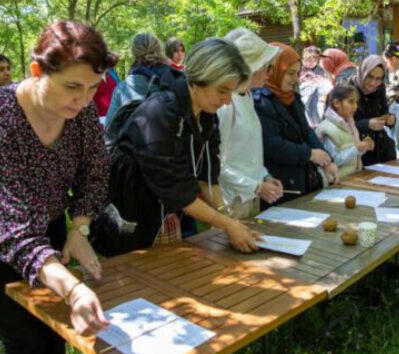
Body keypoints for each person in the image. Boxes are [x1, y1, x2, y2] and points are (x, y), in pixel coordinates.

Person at [0, 21, 115, 354]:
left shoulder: (83, 110)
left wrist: (79, 228)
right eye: (72, 86)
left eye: (93, 87)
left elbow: (95, 171)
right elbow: (13, 229)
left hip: (44, 224)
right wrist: (74, 290)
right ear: (36, 70)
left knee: (55, 329)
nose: (82, 100)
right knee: (26, 340)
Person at [113, 38, 260, 251]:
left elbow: (207, 177)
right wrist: (227, 224)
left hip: (166, 219)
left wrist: (228, 220)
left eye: (231, 92)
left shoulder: (207, 115)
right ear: (201, 78)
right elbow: (176, 188)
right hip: (133, 223)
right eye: (222, 90)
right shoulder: (161, 112)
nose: (228, 100)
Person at [254, 42, 339, 207]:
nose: (296, 79)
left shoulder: (292, 96)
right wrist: (309, 154)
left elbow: (306, 131)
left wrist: (327, 160)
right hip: (280, 187)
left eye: (298, 73)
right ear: (275, 70)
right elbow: (271, 145)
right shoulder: (261, 101)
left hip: (303, 181)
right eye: (291, 73)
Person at [218, 28, 284, 219]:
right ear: (251, 68)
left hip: (251, 197)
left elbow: (250, 153)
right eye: (267, 67)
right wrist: (256, 186)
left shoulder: (247, 97)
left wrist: (265, 176)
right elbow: (217, 164)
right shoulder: (226, 104)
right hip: (232, 202)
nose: (269, 74)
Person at [105, 33, 180, 123]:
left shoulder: (122, 89)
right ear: (159, 50)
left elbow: (109, 129)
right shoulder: (175, 80)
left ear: (134, 53)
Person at [316, 85, 375, 177]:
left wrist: (364, 147)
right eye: (351, 102)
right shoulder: (327, 129)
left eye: (356, 102)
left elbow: (352, 153)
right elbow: (333, 160)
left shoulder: (350, 124)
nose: (355, 106)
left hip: (352, 176)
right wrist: (357, 148)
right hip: (338, 181)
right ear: (336, 103)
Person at [352, 55, 397, 165]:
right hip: (356, 152)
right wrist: (367, 124)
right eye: (370, 77)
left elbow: (383, 111)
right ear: (363, 72)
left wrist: (390, 119)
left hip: (380, 150)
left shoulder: (380, 88)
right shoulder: (348, 88)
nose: (373, 83)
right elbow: (338, 123)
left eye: (378, 79)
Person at [299, 46, 333, 128]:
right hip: (302, 93)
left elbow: (323, 82)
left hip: (315, 93)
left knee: (313, 108)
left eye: (315, 59)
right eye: (309, 59)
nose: (312, 61)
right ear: (304, 57)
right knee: (304, 107)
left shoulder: (319, 69)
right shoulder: (300, 68)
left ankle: (316, 126)